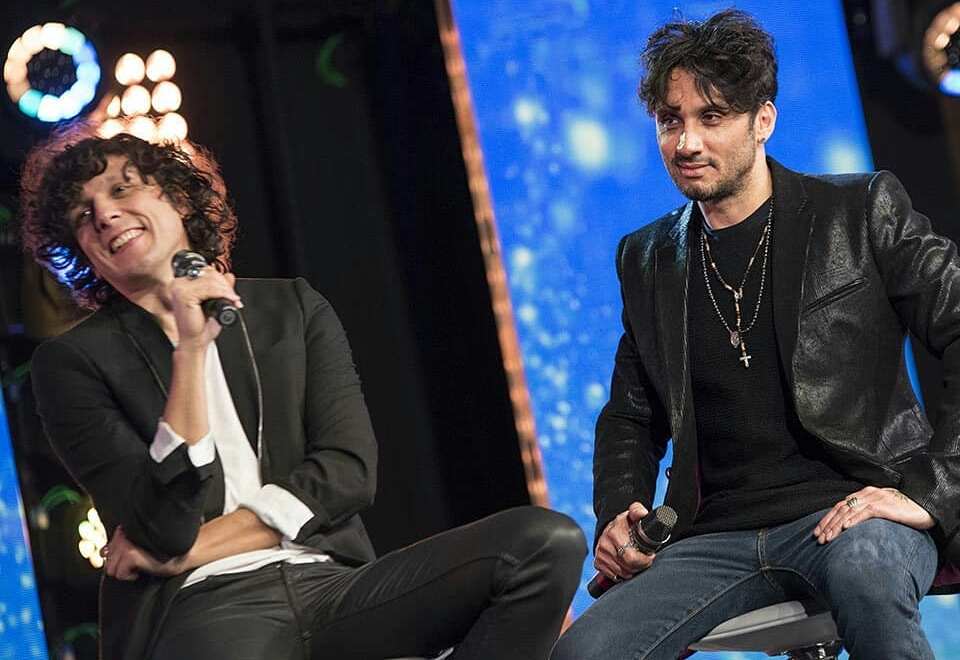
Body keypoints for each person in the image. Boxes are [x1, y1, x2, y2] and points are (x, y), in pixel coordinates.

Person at [20, 130, 586, 660]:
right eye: (83, 217)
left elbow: (348, 471)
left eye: (122, 190)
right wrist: (190, 351)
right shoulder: (72, 363)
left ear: (179, 200)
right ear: (84, 252)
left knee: (543, 544)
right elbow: (161, 528)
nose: (104, 215)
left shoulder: (290, 308)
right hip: (203, 605)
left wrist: (192, 549)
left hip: (332, 583)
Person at [552, 9, 960, 660]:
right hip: (714, 536)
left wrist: (932, 490)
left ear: (762, 120)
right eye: (670, 120)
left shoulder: (859, 211)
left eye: (712, 117)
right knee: (585, 651)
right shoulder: (648, 257)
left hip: (851, 510)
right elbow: (632, 413)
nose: (687, 142)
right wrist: (619, 512)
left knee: (868, 580)